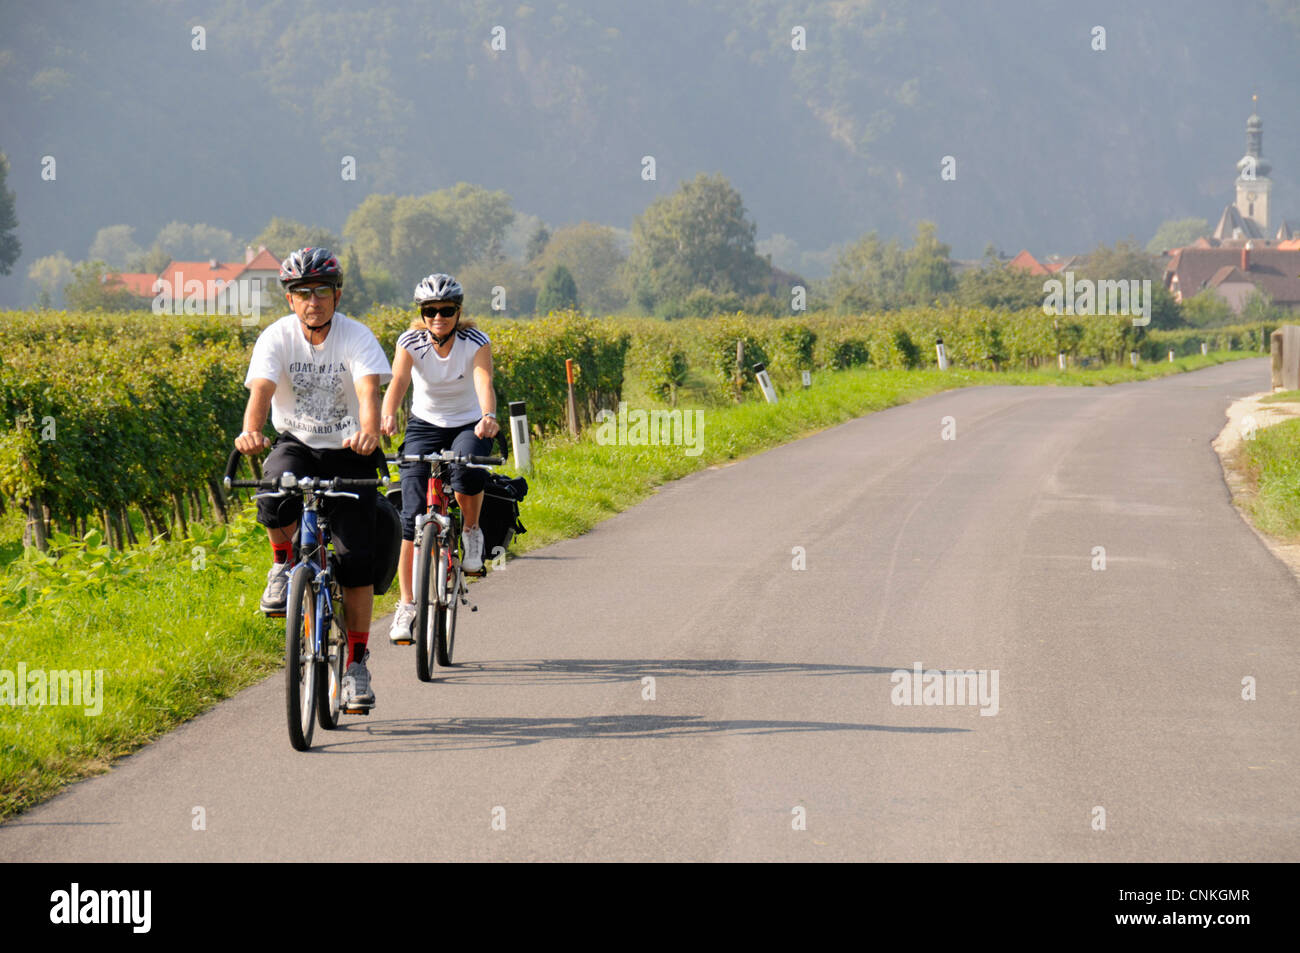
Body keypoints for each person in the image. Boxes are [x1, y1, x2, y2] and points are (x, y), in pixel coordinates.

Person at [236, 247, 392, 710]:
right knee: (271, 493)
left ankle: (357, 665)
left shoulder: (357, 337)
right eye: (301, 292)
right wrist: (251, 431)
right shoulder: (275, 338)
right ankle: (283, 566)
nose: (312, 301)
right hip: (298, 443)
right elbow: (261, 392)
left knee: (355, 560)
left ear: (336, 295)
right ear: (290, 300)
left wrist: (368, 431)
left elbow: (368, 390)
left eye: (321, 291)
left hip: (349, 449)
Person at [380, 273, 499, 645]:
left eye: (446, 310)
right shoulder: (410, 341)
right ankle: (407, 605)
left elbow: (483, 380)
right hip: (425, 425)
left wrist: (488, 416)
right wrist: (387, 413)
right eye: (430, 310)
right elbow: (398, 381)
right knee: (411, 519)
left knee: (467, 469)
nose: (438, 317)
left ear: (458, 311)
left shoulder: (475, 341)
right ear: (422, 312)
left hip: (468, 422)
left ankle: (471, 531)